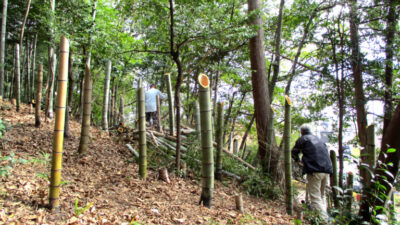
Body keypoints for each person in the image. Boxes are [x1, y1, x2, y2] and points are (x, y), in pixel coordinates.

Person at [291, 125, 333, 221]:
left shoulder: (303, 139)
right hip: (327, 170)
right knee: (321, 196)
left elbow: (294, 152)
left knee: (315, 196)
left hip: (315, 170)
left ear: (302, 132)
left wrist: (298, 161)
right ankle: (323, 216)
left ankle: (324, 220)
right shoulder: (320, 140)